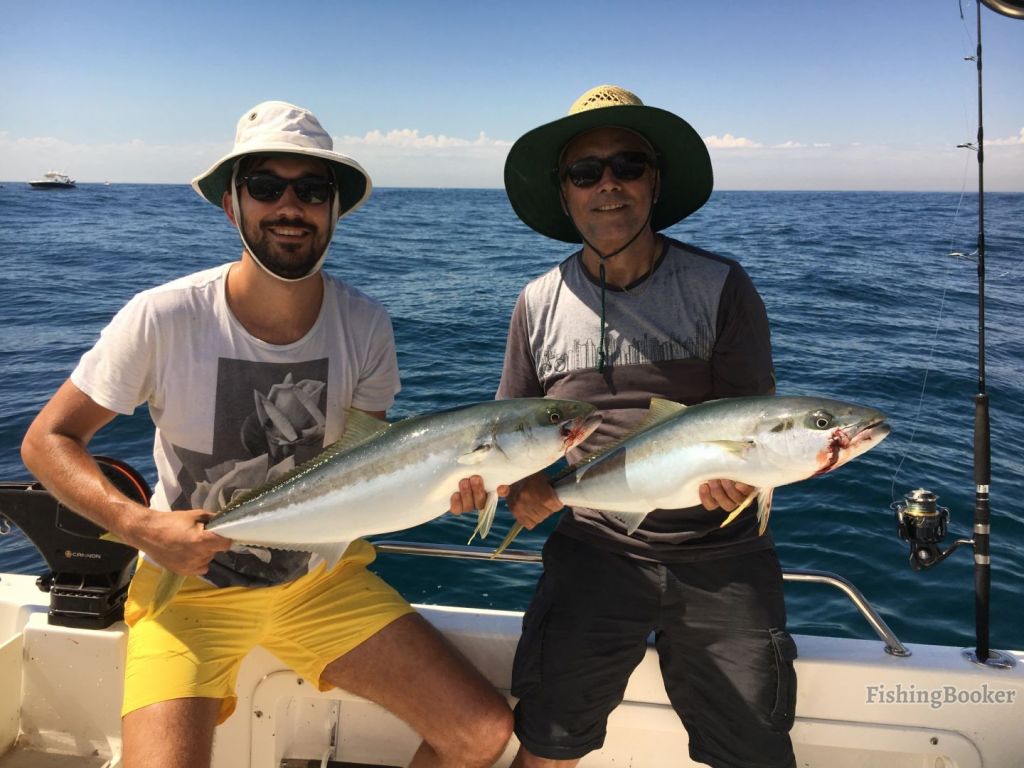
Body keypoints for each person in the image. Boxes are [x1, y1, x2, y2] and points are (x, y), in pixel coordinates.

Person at [22, 101, 513, 768]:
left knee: (481, 731)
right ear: (232, 205)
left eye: (312, 189)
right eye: (265, 187)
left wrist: (445, 485)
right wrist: (138, 527)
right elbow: (47, 439)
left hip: (322, 581)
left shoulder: (366, 326)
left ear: (335, 209)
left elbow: (369, 463)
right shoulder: (163, 317)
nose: (290, 205)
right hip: (188, 589)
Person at [452, 85, 796, 768]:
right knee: (547, 743)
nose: (607, 185)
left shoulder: (721, 286)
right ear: (565, 191)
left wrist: (743, 479)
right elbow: (510, 430)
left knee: (754, 754)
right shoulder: (538, 302)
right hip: (594, 551)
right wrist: (502, 485)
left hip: (719, 553)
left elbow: (750, 425)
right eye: (586, 172)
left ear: (655, 182)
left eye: (627, 166)